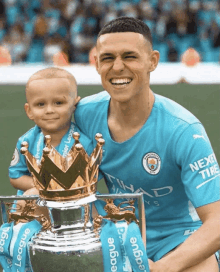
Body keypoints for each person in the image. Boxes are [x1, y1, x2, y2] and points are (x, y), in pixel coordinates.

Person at [74, 17, 220, 271]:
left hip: (177, 238)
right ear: (96, 63)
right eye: (108, 58)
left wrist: (162, 268)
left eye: (129, 56)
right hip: (113, 234)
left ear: (152, 60)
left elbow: (217, 222)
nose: (117, 67)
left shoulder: (184, 130)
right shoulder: (82, 115)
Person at [9, 67, 92, 200]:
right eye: (40, 104)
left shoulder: (84, 143)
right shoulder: (25, 142)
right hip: (34, 206)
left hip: (75, 203)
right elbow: (15, 177)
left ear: (74, 105)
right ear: (29, 110)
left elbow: (90, 181)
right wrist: (44, 189)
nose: (49, 110)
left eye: (58, 103)